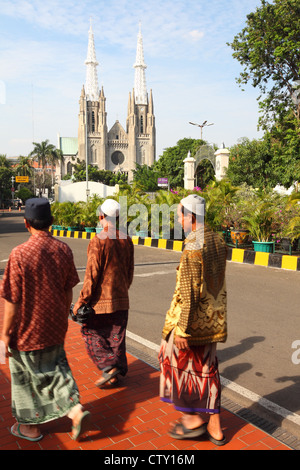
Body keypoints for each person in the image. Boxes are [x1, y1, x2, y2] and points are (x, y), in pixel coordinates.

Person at [0, 198, 90, 442]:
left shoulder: (19, 254)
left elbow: (11, 300)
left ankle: (29, 427)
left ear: (26, 223)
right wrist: (61, 316)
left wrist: (5, 334)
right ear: (51, 222)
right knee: (56, 369)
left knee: (24, 377)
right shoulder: (63, 249)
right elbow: (68, 288)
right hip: (54, 326)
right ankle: (75, 410)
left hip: (26, 330)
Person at [159, 194, 228, 445]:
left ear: (191, 216)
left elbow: (188, 293)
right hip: (215, 321)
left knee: (170, 361)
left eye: (179, 215)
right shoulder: (218, 240)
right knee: (208, 370)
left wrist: (182, 331)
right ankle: (216, 426)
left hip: (190, 324)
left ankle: (191, 420)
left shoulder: (192, 246)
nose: (178, 220)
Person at [72, 198, 134, 388]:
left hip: (100, 302)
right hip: (122, 299)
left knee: (90, 333)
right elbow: (130, 272)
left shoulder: (99, 240)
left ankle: (110, 368)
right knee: (116, 339)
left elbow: (92, 275)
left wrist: (82, 301)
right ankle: (114, 374)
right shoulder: (126, 239)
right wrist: (122, 290)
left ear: (101, 216)